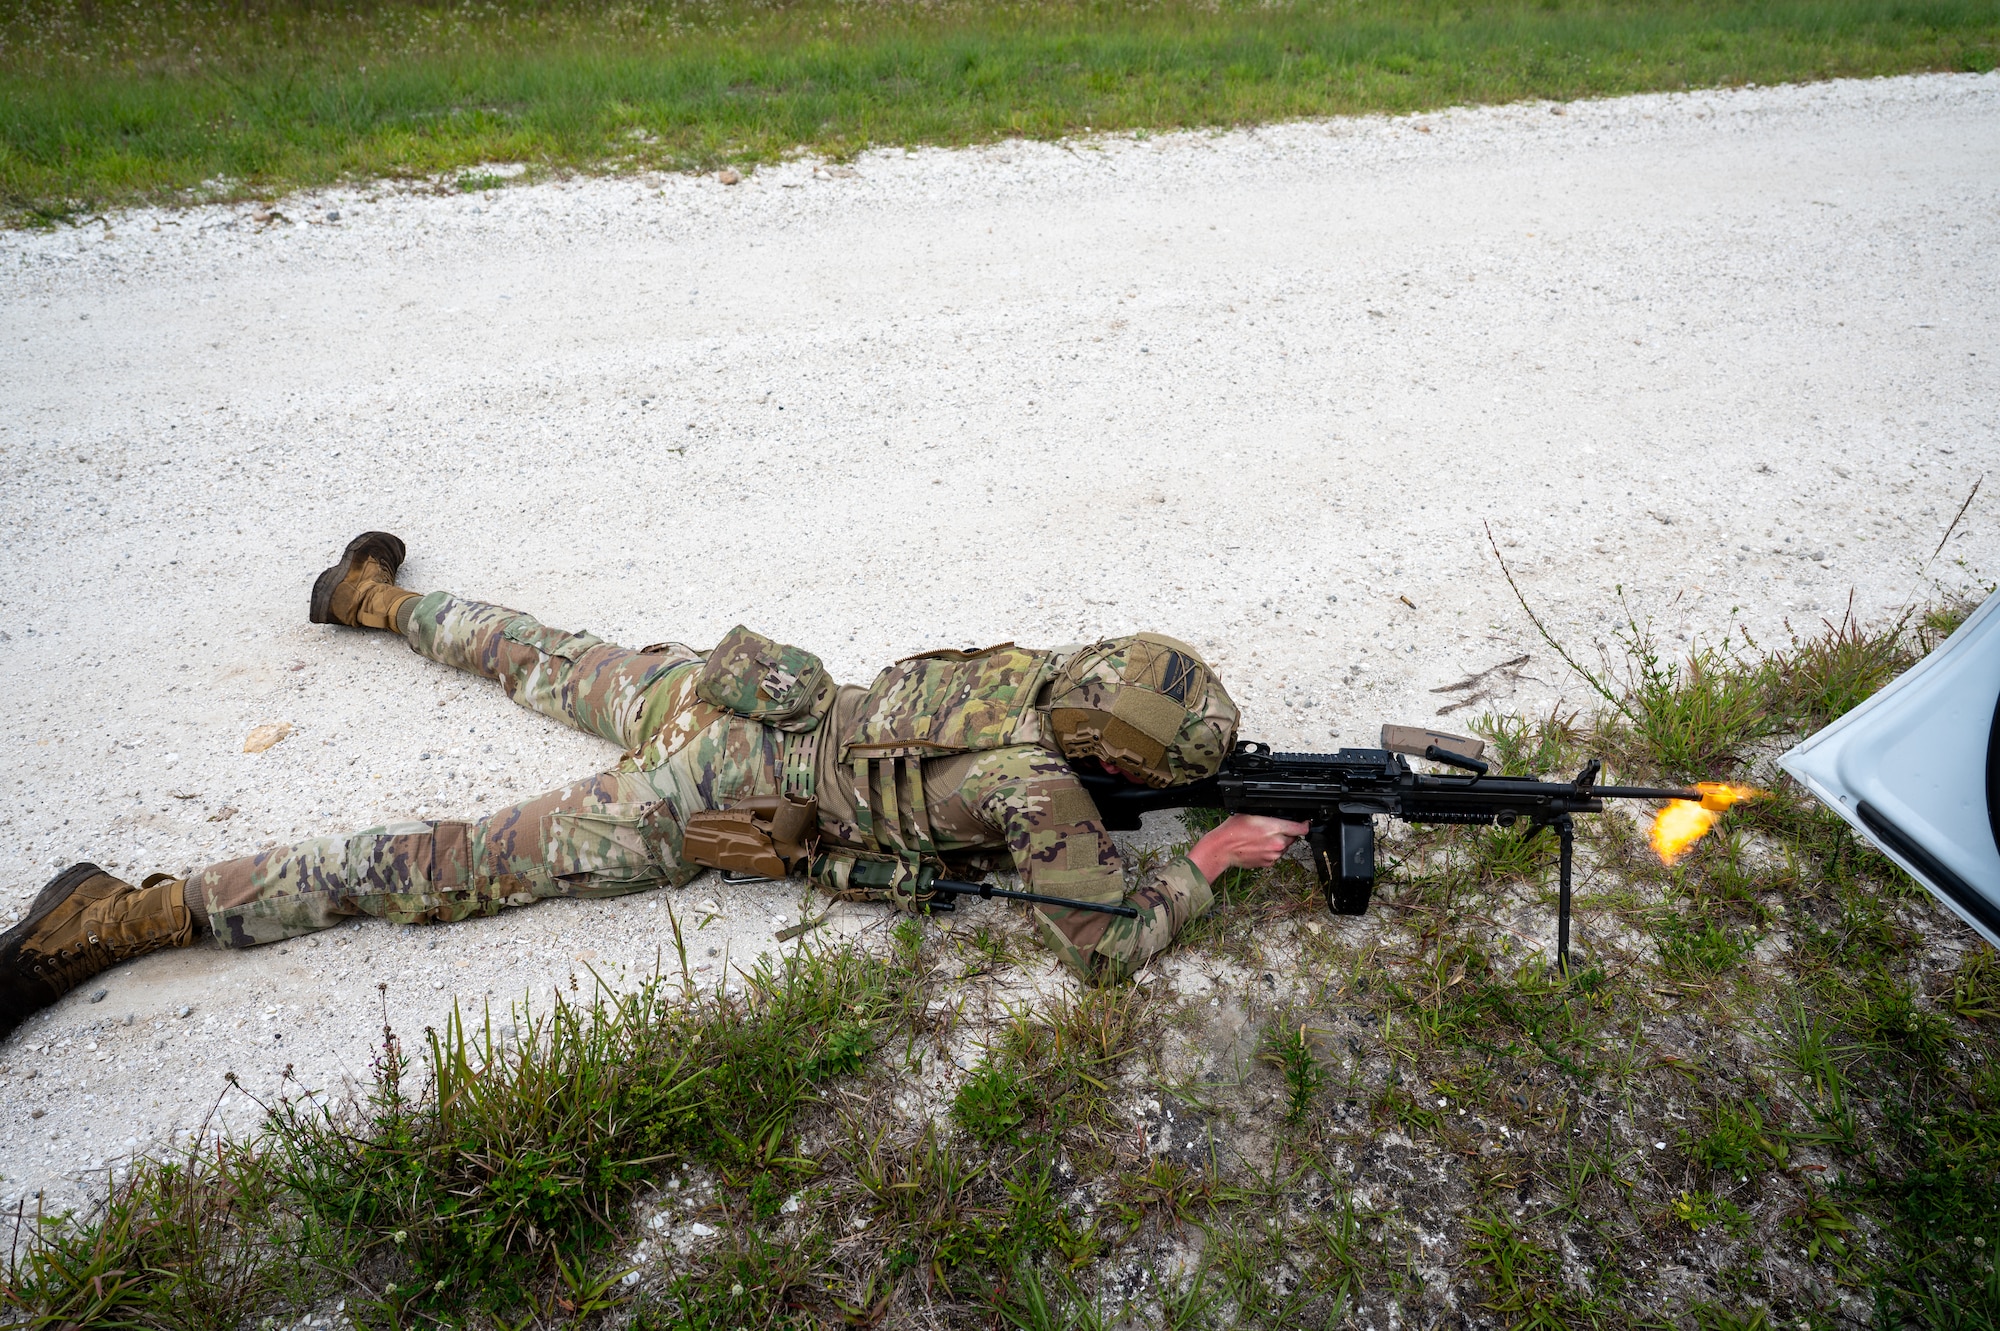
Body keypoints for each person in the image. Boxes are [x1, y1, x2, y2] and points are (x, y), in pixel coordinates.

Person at [0, 533, 1307, 1035]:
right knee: (447, 862)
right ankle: (116, 920)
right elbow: (1103, 949)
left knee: (547, 657)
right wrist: (1205, 862)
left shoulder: (1029, 673)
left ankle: (370, 597)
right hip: (703, 807)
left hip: (734, 692)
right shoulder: (1048, 801)